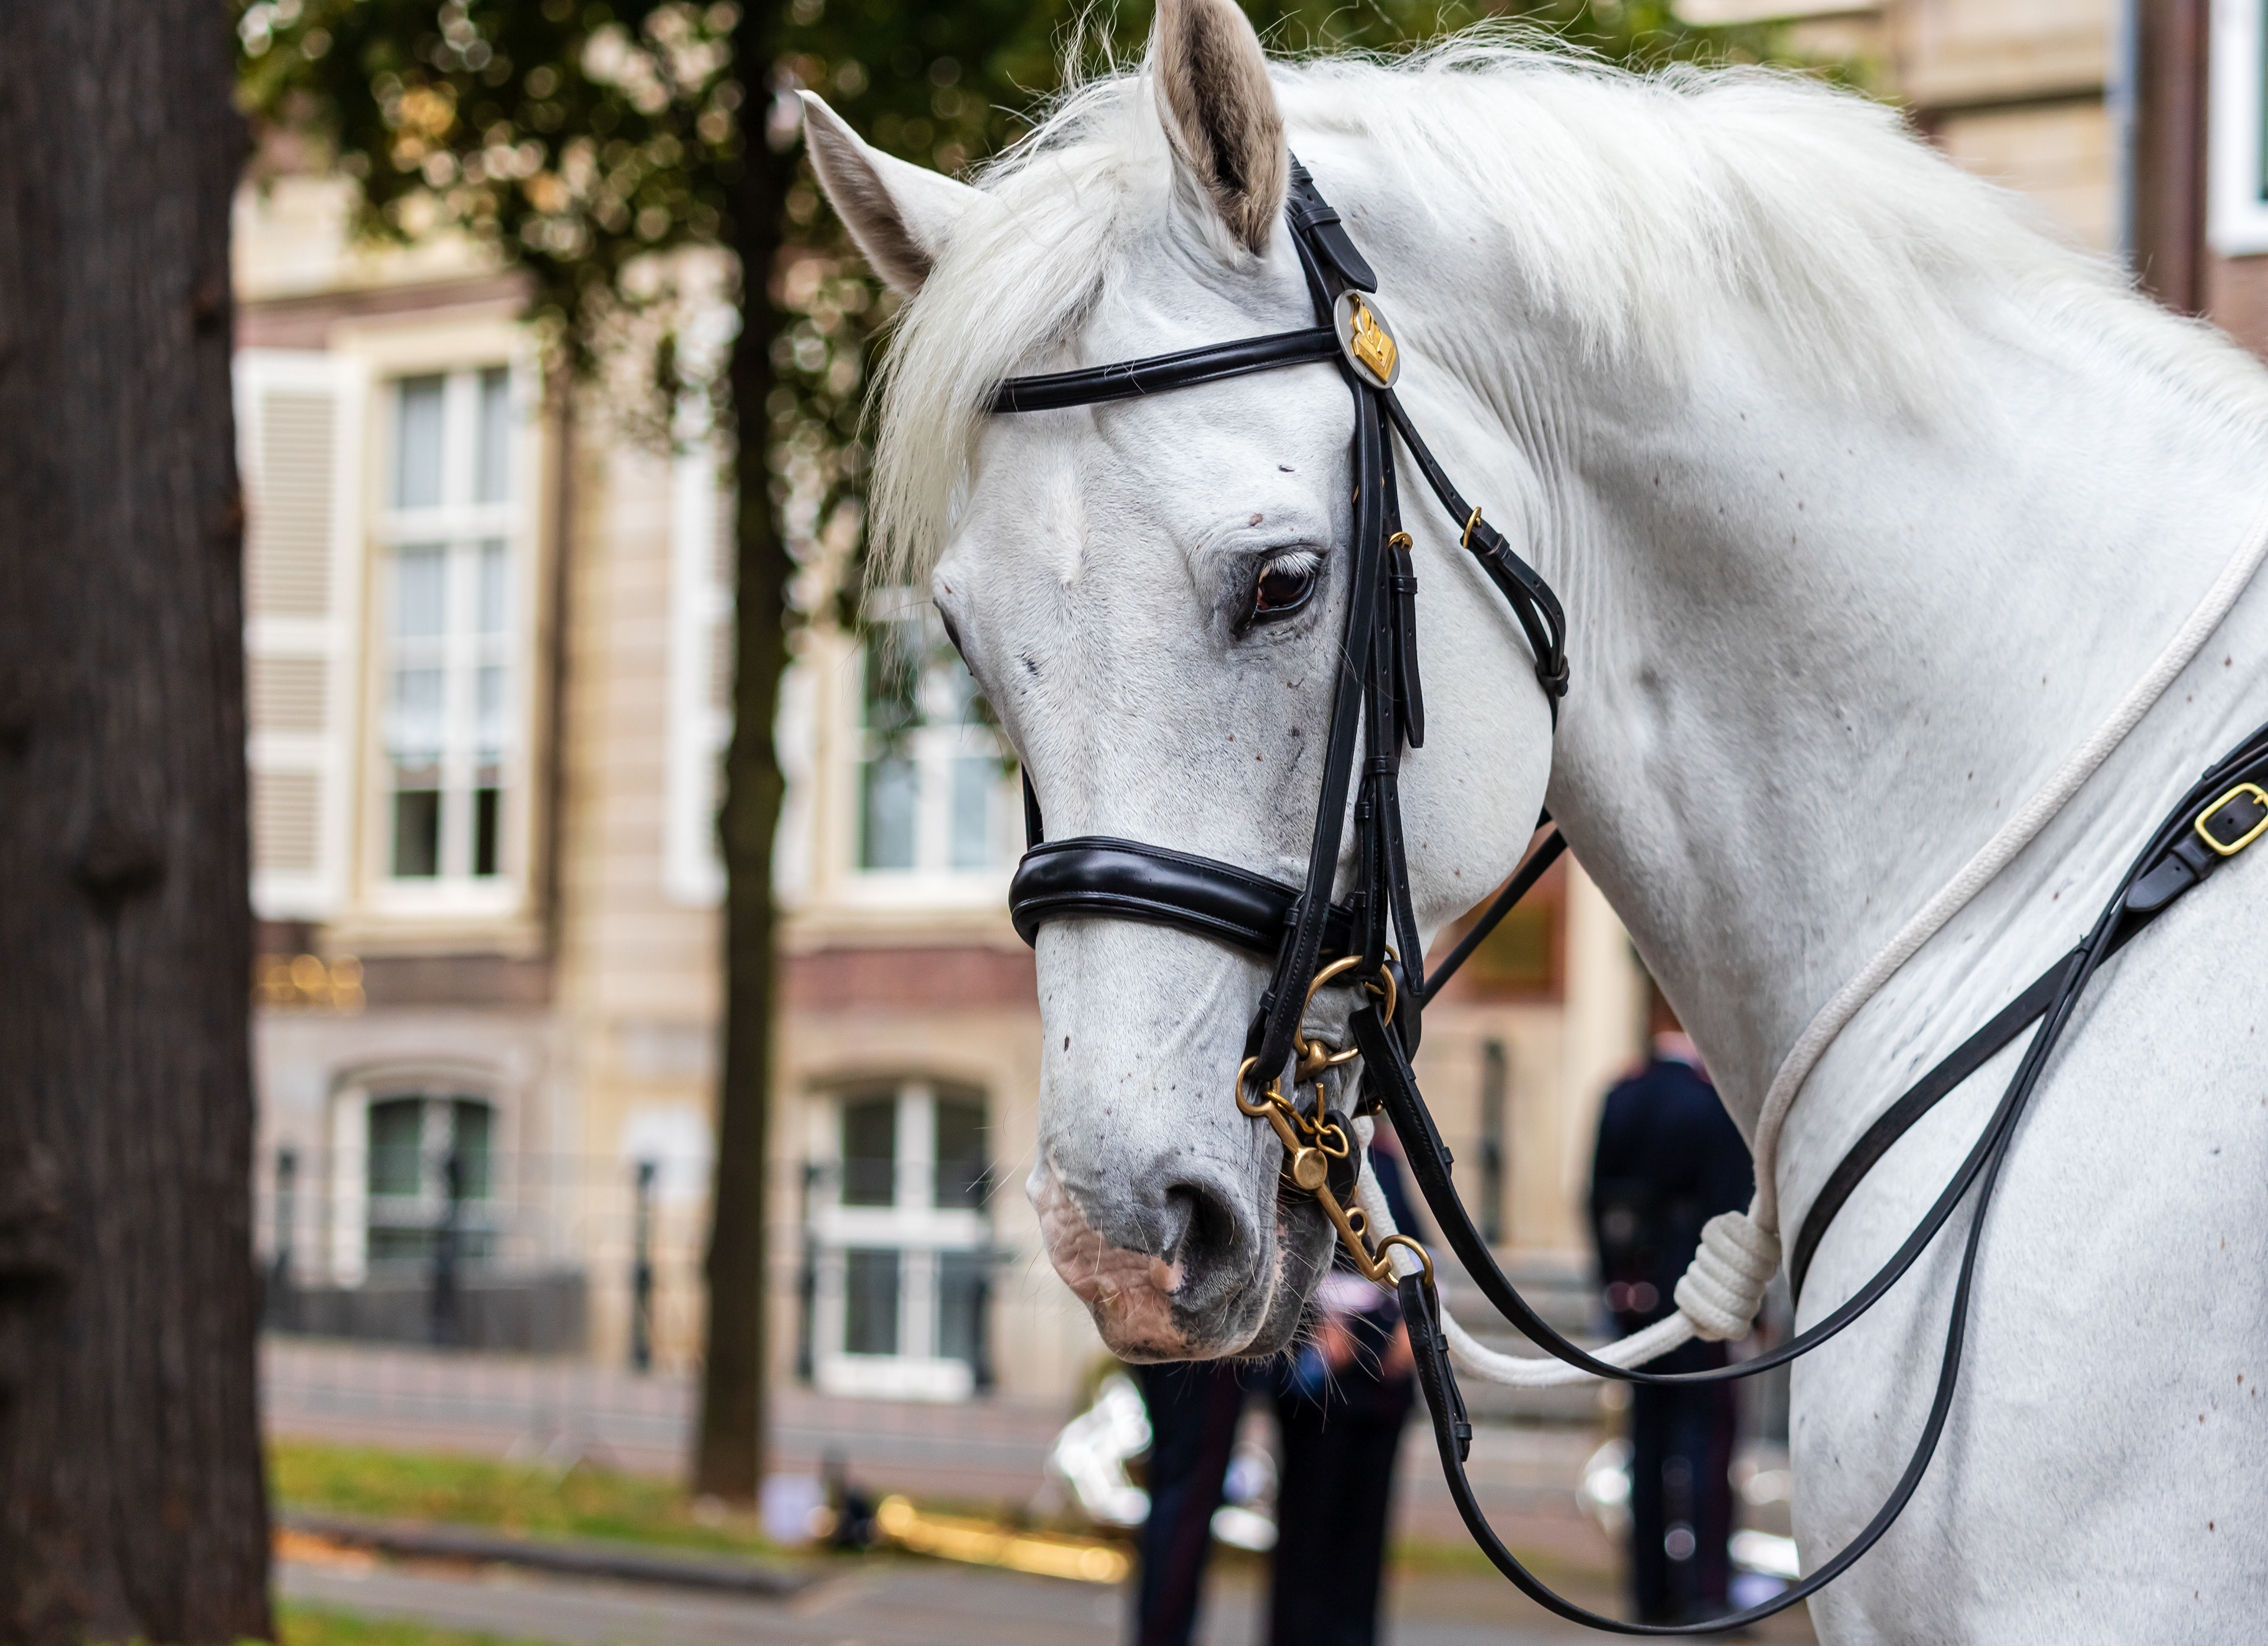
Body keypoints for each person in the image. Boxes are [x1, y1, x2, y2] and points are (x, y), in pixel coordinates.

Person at [1130, 1129, 1420, 1646]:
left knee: (1196, 1499)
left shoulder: (1372, 1156)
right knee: (1188, 1497)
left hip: (1251, 1331)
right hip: (1199, 1330)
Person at [1589, 1030, 1754, 1627]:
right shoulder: (1712, 1103)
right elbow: (1733, 1210)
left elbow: (1596, 1197)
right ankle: (1705, 1589)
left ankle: (1649, 1592)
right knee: (1704, 1443)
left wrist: (1616, 1282)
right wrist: (1746, 1306)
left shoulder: (1622, 1096)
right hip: (1697, 1294)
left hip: (1636, 1294)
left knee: (1649, 1441)